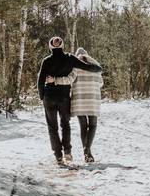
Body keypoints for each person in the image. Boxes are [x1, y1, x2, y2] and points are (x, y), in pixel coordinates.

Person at [37, 36, 102, 166]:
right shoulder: (70, 58)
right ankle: (67, 152)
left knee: (52, 127)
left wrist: (42, 96)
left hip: (49, 97)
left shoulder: (46, 61)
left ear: (50, 47)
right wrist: (98, 68)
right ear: (62, 45)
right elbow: (88, 67)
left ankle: (58, 155)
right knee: (65, 124)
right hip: (64, 97)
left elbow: (40, 80)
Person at [69, 47, 103, 164]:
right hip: (93, 100)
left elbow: (70, 80)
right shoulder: (96, 67)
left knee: (83, 126)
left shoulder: (75, 67)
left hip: (80, 100)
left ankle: (86, 152)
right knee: (93, 125)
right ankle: (87, 150)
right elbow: (100, 83)